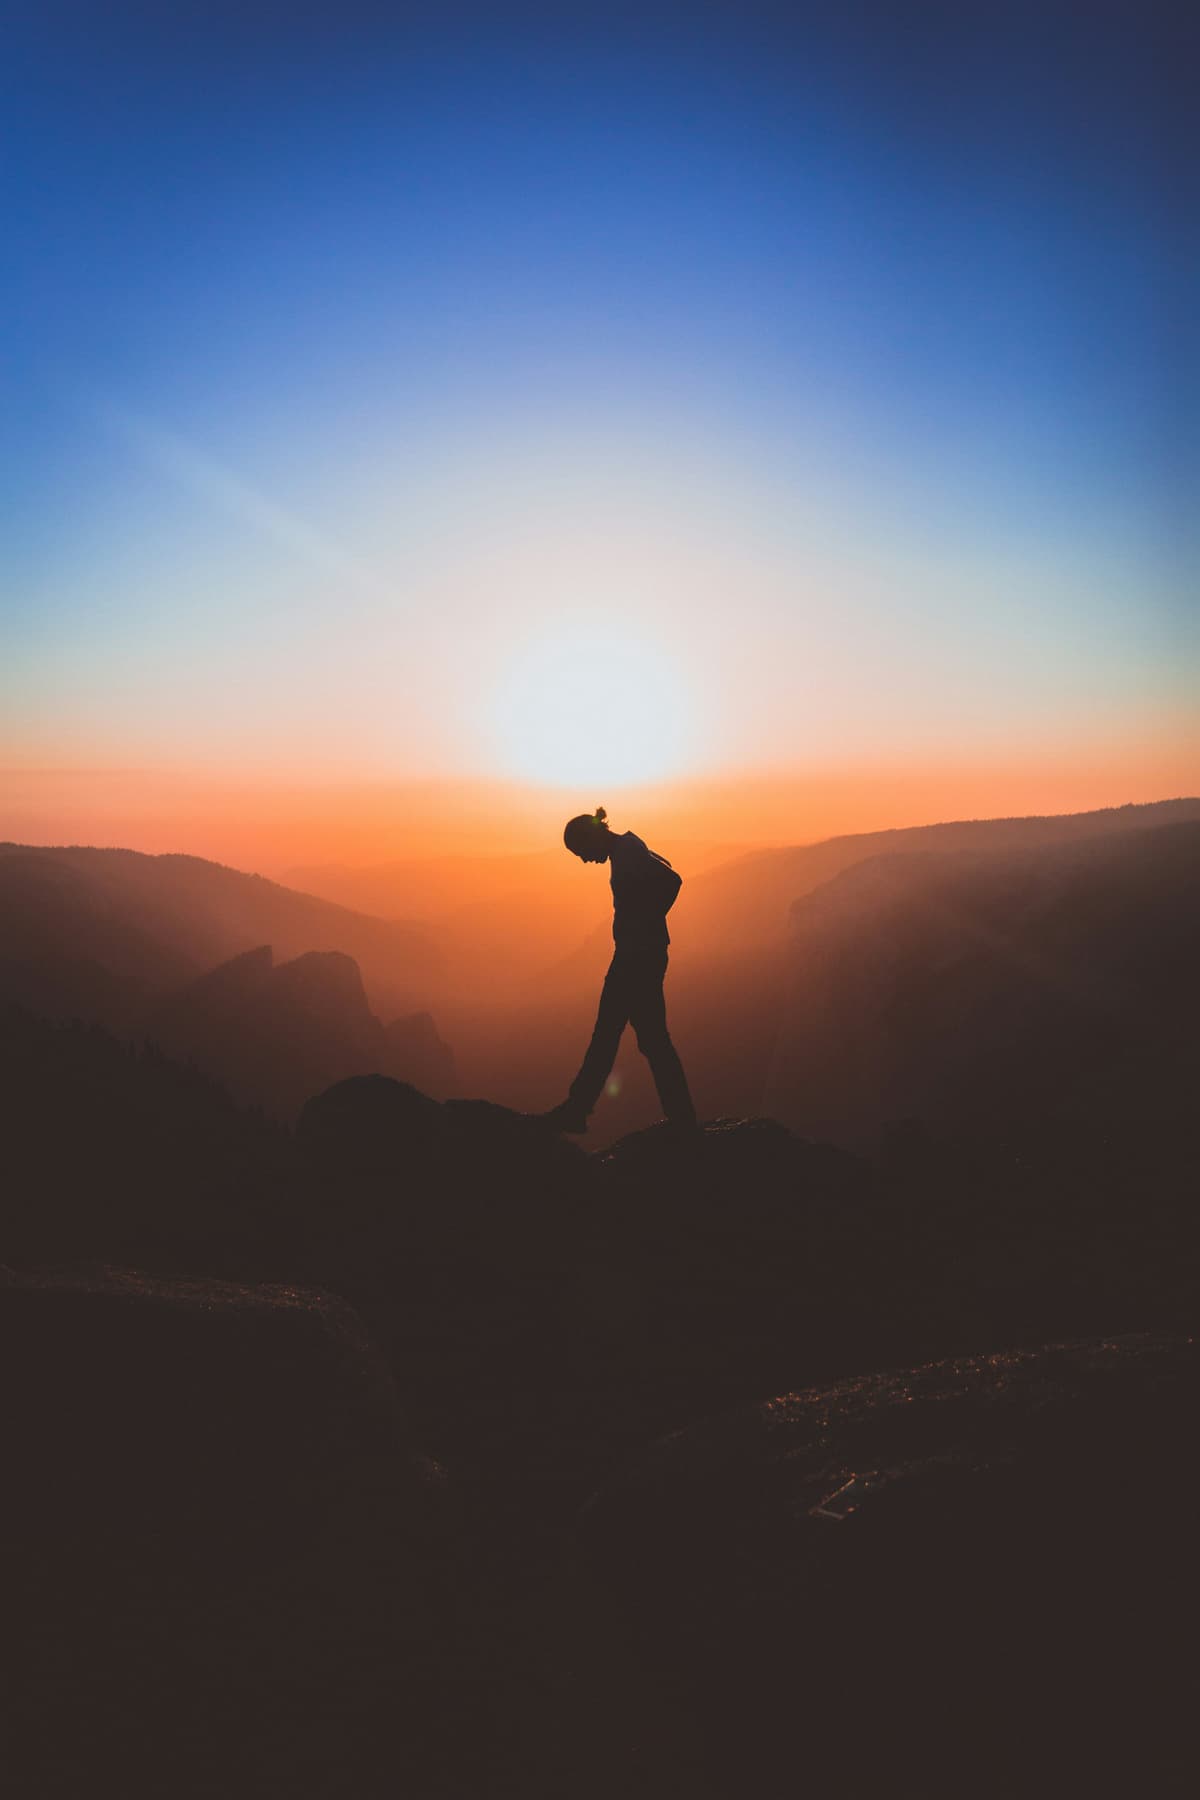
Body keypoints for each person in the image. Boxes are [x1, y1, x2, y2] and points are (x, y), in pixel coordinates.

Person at [541, 807, 697, 1134]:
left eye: (582, 852)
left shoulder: (626, 853)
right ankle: (681, 1118)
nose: (584, 860)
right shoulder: (626, 848)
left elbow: (672, 880)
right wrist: (649, 921)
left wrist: (647, 921)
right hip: (641, 954)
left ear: (592, 837)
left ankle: (578, 1109)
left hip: (636, 958)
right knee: (650, 1040)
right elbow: (665, 879)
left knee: (611, 1034)